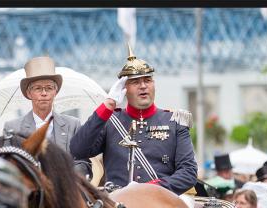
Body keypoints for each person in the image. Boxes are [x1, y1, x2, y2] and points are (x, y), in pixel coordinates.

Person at [69, 44, 197, 195]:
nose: (143, 86)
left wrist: (150, 189)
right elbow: (78, 149)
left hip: (160, 201)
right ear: (124, 88)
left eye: (148, 80)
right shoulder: (110, 121)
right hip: (118, 206)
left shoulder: (175, 121)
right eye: (135, 82)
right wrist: (108, 105)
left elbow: (188, 172)